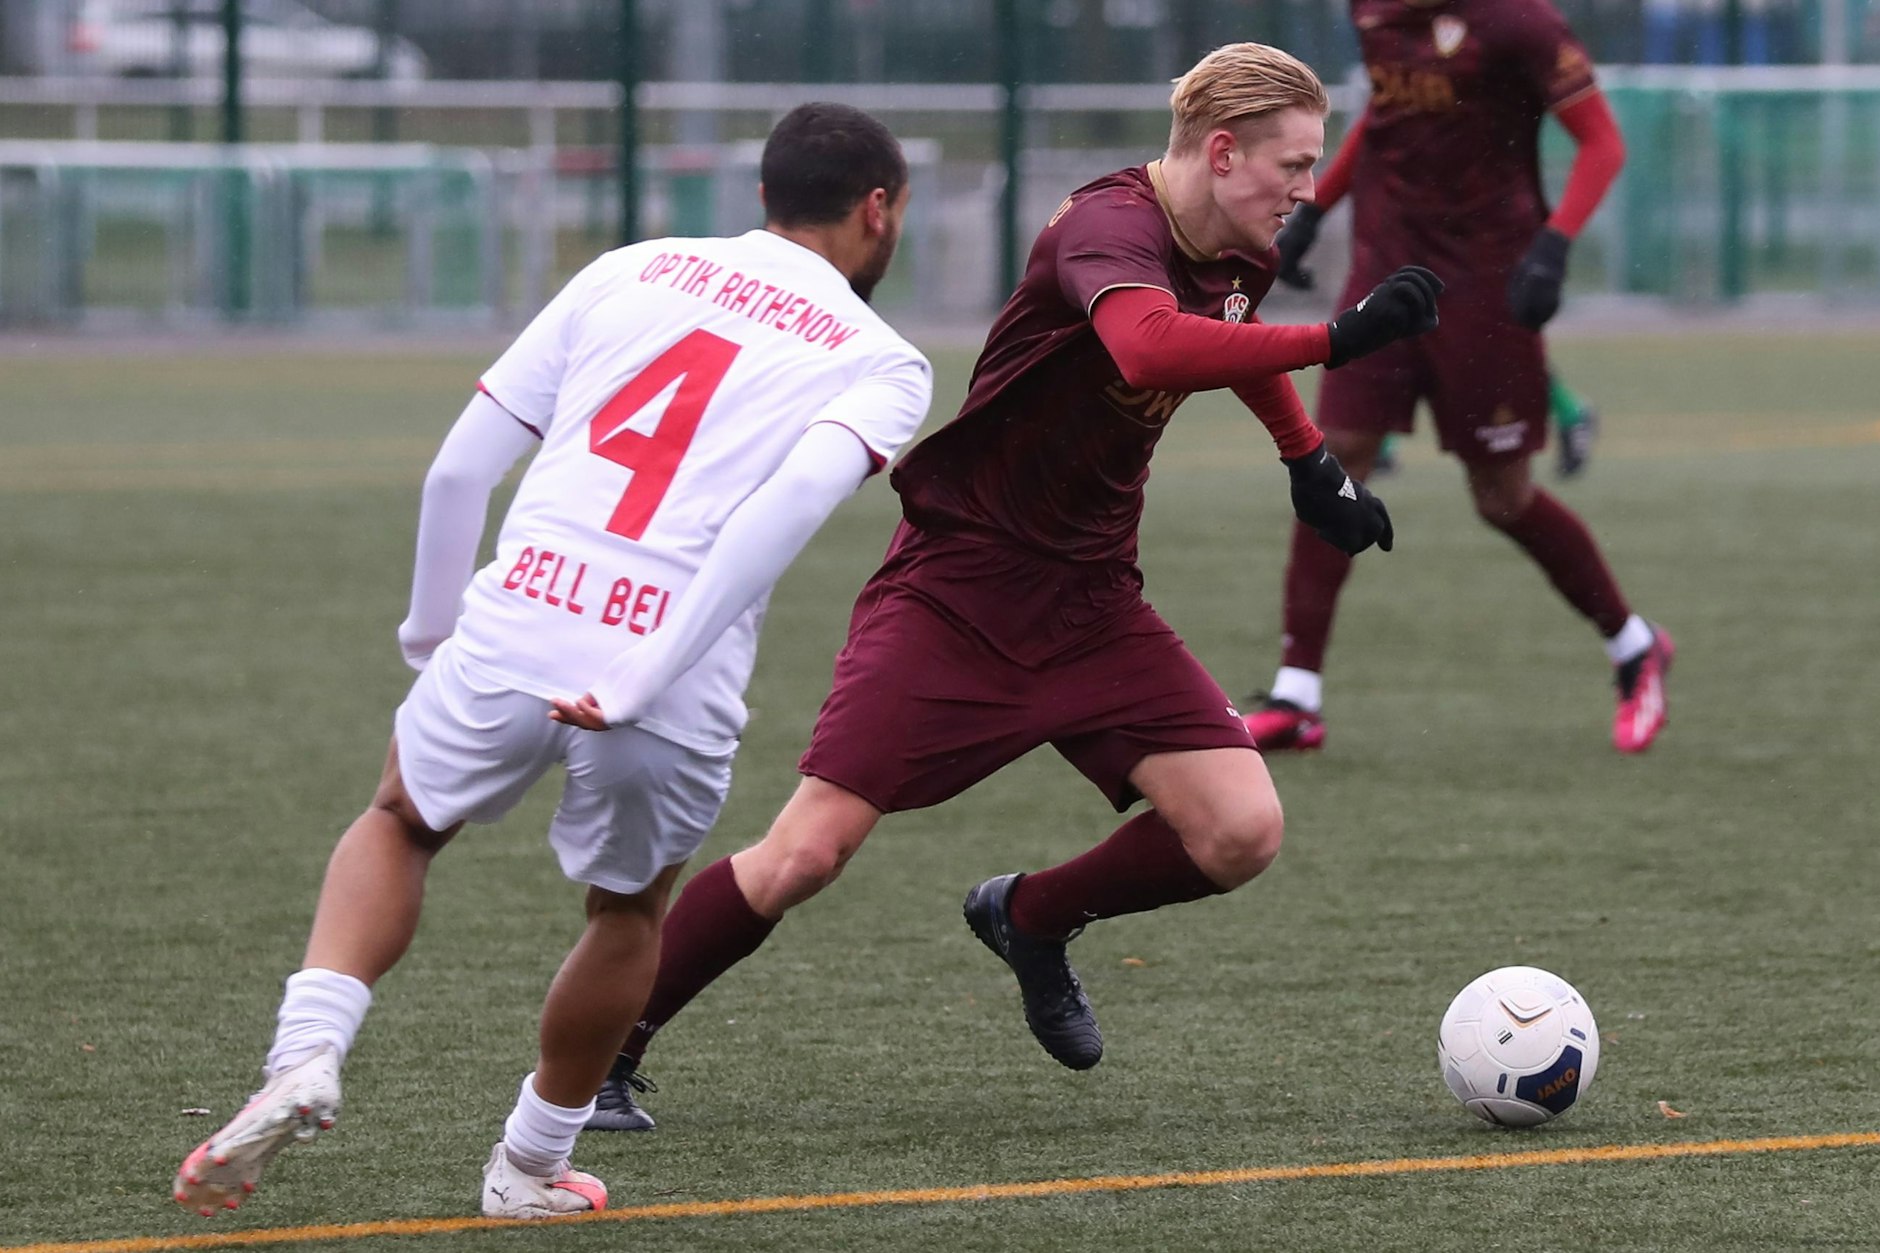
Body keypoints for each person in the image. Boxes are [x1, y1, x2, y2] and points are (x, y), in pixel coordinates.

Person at [578, 42, 1443, 1133]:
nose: (1309, 188)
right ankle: (606, 1049)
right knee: (806, 850)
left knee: (1238, 828)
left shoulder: (1237, 239)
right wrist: (1342, 337)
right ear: (1221, 153)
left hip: (1091, 599)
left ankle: (1029, 917)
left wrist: (1306, 460)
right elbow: (1144, 344)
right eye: (1294, 163)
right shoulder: (1105, 228)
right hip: (959, 587)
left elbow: (1228, 335)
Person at [170, 102, 933, 1220]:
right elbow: (778, 516)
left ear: (761, 193)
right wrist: (642, 673)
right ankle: (528, 1165)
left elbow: (458, 470)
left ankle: (308, 1052)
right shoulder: (883, 358)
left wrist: (433, 635)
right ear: (878, 209)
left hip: (519, 615)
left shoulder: (627, 268)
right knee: (627, 911)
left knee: (399, 819)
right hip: (661, 677)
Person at [1241, 0, 1673, 757]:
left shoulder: (1519, 21)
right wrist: (1315, 209)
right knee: (1333, 456)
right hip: (1386, 265)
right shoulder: (1373, 12)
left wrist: (1554, 246)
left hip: (1485, 278)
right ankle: (1296, 693)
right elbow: (1386, 114)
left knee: (1502, 495)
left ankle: (1634, 645)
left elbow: (1602, 143)